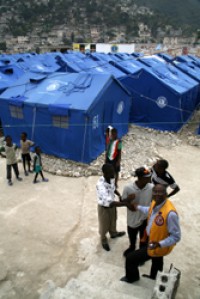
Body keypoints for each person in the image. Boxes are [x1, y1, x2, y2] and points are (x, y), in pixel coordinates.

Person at [120, 184, 181, 283]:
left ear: (166, 194)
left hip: (157, 244)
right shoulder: (155, 202)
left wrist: (159, 244)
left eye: (160, 192)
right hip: (152, 238)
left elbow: (176, 236)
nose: (157, 194)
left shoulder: (170, 213)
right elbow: (150, 211)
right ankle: (154, 277)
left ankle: (132, 277)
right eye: (155, 191)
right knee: (157, 260)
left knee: (131, 258)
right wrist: (138, 207)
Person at [121, 167, 153, 257]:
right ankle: (132, 247)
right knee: (132, 234)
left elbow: (154, 201)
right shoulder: (128, 188)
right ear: (140, 178)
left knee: (144, 238)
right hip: (133, 218)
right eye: (147, 177)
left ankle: (141, 253)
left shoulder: (151, 187)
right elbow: (123, 201)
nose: (150, 179)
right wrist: (128, 201)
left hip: (145, 218)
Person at [96, 163, 125, 251]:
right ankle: (103, 239)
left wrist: (119, 194)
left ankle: (113, 233)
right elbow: (109, 203)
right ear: (104, 173)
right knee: (104, 225)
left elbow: (112, 188)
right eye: (111, 173)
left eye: (113, 172)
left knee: (113, 220)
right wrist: (126, 204)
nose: (113, 175)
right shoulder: (101, 186)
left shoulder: (110, 177)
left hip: (112, 205)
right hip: (104, 208)